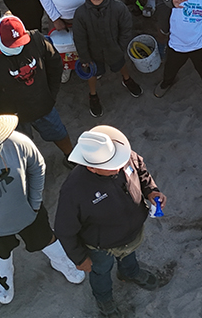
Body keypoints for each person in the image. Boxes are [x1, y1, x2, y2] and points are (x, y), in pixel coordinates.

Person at [0, 109, 85, 306]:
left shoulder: (18, 141)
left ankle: (60, 262)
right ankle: (5, 273)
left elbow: (38, 167)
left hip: (30, 214)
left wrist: (35, 203)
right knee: (0, 251)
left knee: (46, 238)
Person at [54, 126, 167, 318]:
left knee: (130, 255)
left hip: (131, 233)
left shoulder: (122, 156)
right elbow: (64, 230)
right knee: (100, 273)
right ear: (91, 167)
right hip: (101, 247)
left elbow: (140, 170)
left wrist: (151, 190)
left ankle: (129, 273)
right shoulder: (74, 190)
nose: (120, 166)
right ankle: (104, 299)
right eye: (111, 165)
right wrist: (80, 259)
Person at [0, 15, 74, 157]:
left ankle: (70, 157)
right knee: (19, 150)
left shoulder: (36, 39)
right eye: (11, 45)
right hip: (11, 117)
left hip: (42, 105)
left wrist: (50, 93)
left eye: (20, 42)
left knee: (59, 132)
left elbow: (55, 63)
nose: (18, 47)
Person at [73, 0, 142, 117]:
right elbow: (79, 37)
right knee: (92, 73)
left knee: (121, 64)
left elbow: (126, 28)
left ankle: (127, 80)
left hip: (114, 48)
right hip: (93, 53)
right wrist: (85, 57)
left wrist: (120, 47)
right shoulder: (81, 13)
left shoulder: (118, 8)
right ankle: (93, 95)